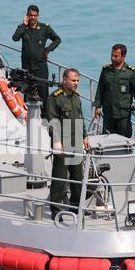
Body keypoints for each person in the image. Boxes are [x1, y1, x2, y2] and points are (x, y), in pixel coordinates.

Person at [46, 68, 90, 220]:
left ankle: (76, 206)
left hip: (76, 141)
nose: (76, 83)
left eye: (77, 81)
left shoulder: (76, 97)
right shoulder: (54, 97)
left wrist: (84, 137)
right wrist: (57, 142)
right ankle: (56, 210)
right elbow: (52, 121)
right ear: (64, 80)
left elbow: (80, 118)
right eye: (73, 80)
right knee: (59, 176)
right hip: (62, 142)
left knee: (77, 176)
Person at [12, 5, 61, 117]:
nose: (33, 17)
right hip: (26, 67)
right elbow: (15, 38)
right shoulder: (23, 28)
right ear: (27, 15)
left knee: (43, 92)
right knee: (27, 92)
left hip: (40, 67)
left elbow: (57, 39)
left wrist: (48, 50)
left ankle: (45, 116)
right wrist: (24, 25)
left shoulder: (44, 28)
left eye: (35, 15)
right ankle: (27, 117)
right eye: (31, 15)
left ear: (38, 16)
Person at [94, 44, 135, 138]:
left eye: (116, 56)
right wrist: (97, 106)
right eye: (111, 55)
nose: (112, 58)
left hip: (123, 115)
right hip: (108, 113)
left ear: (123, 56)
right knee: (107, 139)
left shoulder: (130, 72)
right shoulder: (106, 70)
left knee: (124, 139)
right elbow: (100, 89)